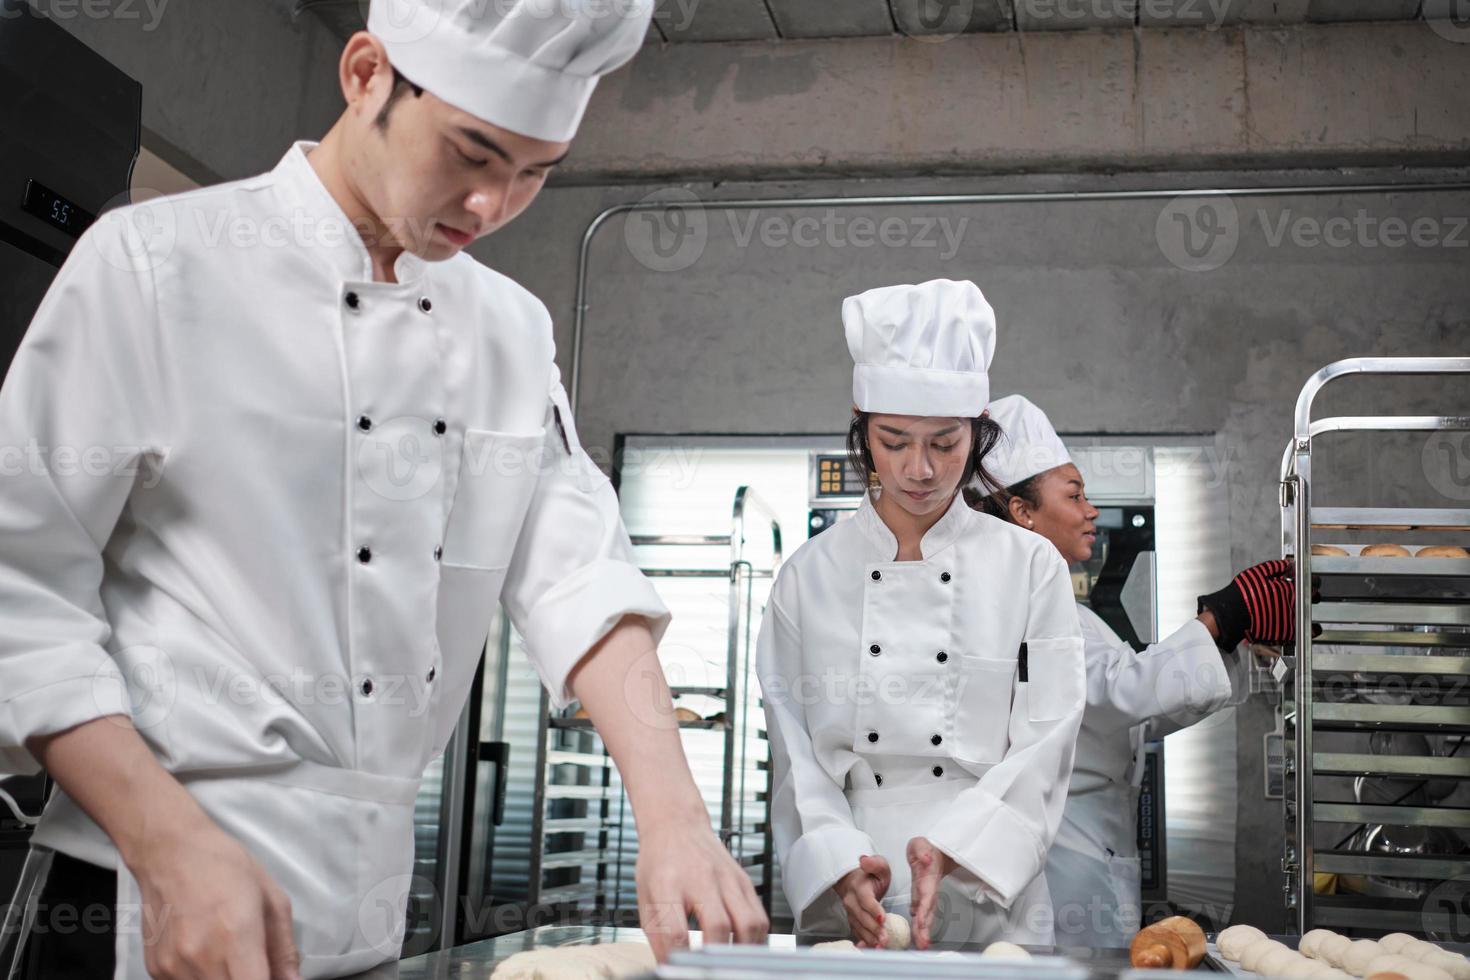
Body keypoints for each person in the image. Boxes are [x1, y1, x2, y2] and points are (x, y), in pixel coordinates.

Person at [0, 2, 766, 976]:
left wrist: (676, 817)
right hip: (132, 892)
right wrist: (167, 843)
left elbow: (578, 572)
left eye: (535, 172)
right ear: (365, 74)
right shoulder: (157, 265)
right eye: (472, 152)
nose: (492, 205)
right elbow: (18, 581)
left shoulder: (511, 332)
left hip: (358, 916)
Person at [755, 280, 1086, 950]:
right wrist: (835, 864)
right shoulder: (808, 576)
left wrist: (963, 849)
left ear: (977, 427)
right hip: (852, 883)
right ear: (861, 422)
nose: (919, 468)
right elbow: (797, 758)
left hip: (991, 882)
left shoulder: (1029, 566)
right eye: (894, 439)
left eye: (945, 441)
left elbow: (1049, 735)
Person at [972, 394, 1295, 946]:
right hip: (1061, 865)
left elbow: (1132, 717)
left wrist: (1227, 637)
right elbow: (1121, 692)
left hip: (1096, 852)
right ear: (1022, 511)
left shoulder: (1068, 613)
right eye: (1074, 495)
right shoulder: (1015, 610)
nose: (1091, 510)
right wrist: (1219, 619)